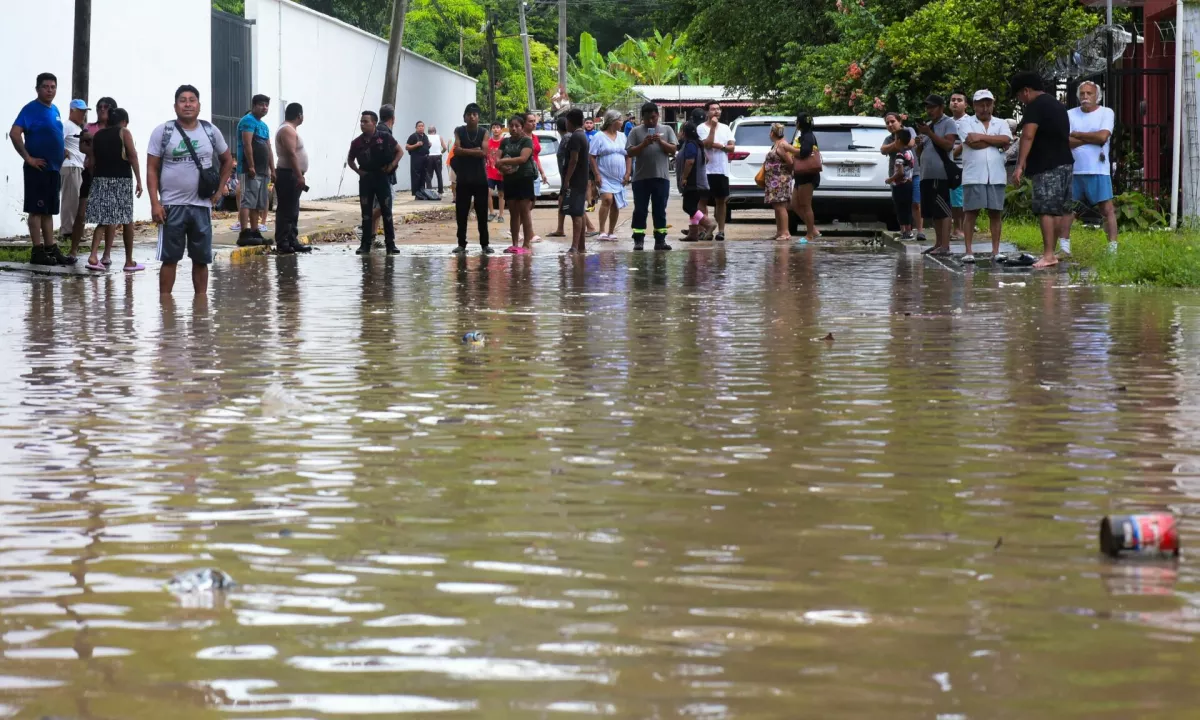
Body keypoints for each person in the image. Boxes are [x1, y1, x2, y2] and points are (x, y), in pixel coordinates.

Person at [147, 84, 234, 295]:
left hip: (201, 206)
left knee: (201, 259)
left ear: (199, 105)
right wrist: (155, 203)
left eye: (192, 100)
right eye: (182, 100)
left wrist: (219, 190)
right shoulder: (163, 132)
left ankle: (200, 306)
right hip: (171, 206)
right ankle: (165, 306)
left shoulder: (210, 131)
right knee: (169, 259)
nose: (187, 104)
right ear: (175, 106)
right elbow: (151, 168)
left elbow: (227, 160)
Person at [1011, 71, 1074, 268]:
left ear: (1026, 91)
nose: (1020, 100)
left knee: (1046, 209)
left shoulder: (1035, 106)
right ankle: (1051, 253)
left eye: (1019, 95)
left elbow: (1028, 135)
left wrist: (1020, 165)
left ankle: (1048, 255)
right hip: (1065, 163)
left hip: (1047, 165)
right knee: (1057, 209)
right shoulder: (1058, 105)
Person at [10, 73, 71, 266]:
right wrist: (28, 158)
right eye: (46, 87)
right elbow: (14, 133)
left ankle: (50, 248)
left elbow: (53, 134)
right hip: (38, 169)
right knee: (36, 210)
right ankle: (37, 251)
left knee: (48, 211)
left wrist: (62, 150)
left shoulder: (55, 110)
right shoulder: (30, 109)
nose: (50, 90)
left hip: (53, 169)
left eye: (53, 87)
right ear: (37, 89)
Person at [1062, 80, 1118, 255]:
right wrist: (1091, 138)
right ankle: (1064, 248)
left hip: (1098, 170)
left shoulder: (1106, 112)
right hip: (1075, 170)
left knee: (1107, 210)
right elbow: (1065, 141)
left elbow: (1102, 137)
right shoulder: (1070, 114)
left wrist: (1078, 135)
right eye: (1082, 93)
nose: (1085, 96)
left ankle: (1113, 250)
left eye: (1089, 93)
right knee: (1069, 210)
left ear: (1097, 96)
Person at [84, 108, 143, 272]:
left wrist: (95, 179)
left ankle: (93, 256)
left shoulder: (98, 135)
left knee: (103, 220)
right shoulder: (124, 132)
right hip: (121, 181)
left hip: (100, 180)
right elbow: (132, 156)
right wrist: (139, 180)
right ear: (124, 121)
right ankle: (129, 261)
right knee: (127, 220)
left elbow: (92, 162)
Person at [958, 90, 1013, 262]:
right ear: (974, 106)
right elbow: (972, 143)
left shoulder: (1001, 123)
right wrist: (996, 141)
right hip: (974, 174)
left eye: (988, 104)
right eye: (981, 104)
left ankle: (995, 251)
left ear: (993, 105)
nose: (985, 108)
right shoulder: (965, 123)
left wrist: (982, 137)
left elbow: (1006, 140)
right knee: (971, 213)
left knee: (995, 213)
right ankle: (969, 251)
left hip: (996, 174)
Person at [348, 110, 403, 255]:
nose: (362, 124)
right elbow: (350, 160)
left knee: (386, 211)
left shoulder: (384, 137)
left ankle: (390, 244)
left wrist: (392, 165)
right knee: (366, 213)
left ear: (374, 123)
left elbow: (400, 151)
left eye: (365, 121)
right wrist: (358, 171)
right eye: (361, 121)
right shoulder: (357, 142)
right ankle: (365, 245)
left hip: (382, 177)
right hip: (366, 179)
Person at [625, 102, 678, 251]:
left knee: (660, 209)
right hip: (641, 178)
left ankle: (660, 240)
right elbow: (630, 152)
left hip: (661, 177)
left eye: (653, 117)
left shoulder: (667, 130)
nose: (651, 121)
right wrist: (644, 144)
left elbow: (673, 149)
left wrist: (660, 141)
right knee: (640, 210)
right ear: (642, 118)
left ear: (658, 115)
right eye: (647, 118)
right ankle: (638, 240)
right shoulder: (635, 131)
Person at [914, 94, 960, 255]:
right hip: (926, 173)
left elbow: (948, 145)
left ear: (941, 107)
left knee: (943, 210)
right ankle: (938, 243)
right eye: (927, 107)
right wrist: (919, 144)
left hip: (940, 174)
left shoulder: (948, 123)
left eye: (932, 107)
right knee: (933, 211)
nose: (929, 110)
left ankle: (945, 246)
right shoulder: (927, 126)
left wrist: (929, 133)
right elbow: (919, 153)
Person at [450, 103, 491, 255]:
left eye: (475, 114)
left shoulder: (484, 132)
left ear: (478, 117)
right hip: (463, 178)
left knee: (482, 213)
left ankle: (485, 244)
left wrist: (465, 151)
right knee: (461, 213)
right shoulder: (459, 130)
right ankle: (461, 244)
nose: (472, 117)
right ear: (464, 117)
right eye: (469, 114)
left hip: (480, 178)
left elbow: (484, 153)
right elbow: (456, 150)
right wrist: (475, 150)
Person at [234, 94, 274, 246]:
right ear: (254, 105)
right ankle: (244, 233)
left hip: (263, 171)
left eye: (266, 105)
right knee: (248, 201)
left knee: (258, 203)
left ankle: (255, 231)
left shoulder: (264, 126)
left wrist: (272, 169)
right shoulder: (248, 121)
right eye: (261, 104)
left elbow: (269, 148)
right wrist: (251, 166)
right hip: (249, 169)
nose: (264, 107)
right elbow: (247, 144)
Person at [549, 117, 597, 240]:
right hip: (566, 177)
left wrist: (567, 179)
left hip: (570, 178)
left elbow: (571, 160)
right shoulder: (571, 137)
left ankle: (589, 228)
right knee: (564, 201)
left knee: (574, 204)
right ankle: (560, 228)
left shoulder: (569, 137)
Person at [495, 114, 538, 255]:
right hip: (509, 179)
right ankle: (514, 244)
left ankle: (526, 244)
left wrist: (503, 162)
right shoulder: (505, 141)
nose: (513, 128)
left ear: (522, 127)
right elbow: (497, 158)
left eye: (517, 126)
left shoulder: (527, 141)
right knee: (513, 213)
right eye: (511, 126)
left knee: (525, 211)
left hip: (524, 178)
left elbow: (523, 158)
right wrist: (502, 167)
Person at [275, 102, 311, 255]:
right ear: (299, 115)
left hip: (292, 174)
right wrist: (299, 175)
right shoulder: (287, 130)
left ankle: (292, 240)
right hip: (288, 174)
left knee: (293, 209)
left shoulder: (289, 129)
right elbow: (291, 154)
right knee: (286, 210)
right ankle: (283, 242)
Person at [589, 109, 631, 242]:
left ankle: (611, 231)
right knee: (607, 199)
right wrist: (596, 174)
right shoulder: (599, 136)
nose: (622, 122)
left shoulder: (623, 136)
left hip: (619, 177)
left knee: (615, 204)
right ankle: (602, 231)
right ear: (612, 121)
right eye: (619, 120)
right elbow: (592, 156)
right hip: (604, 175)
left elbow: (628, 156)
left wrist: (628, 173)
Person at [697, 100, 735, 241]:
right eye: (713, 109)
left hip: (721, 169)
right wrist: (712, 128)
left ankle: (721, 231)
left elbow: (732, 147)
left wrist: (721, 146)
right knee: (703, 200)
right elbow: (706, 144)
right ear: (707, 112)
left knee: (721, 201)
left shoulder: (725, 128)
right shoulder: (701, 128)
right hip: (706, 170)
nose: (716, 111)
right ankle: (704, 229)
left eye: (718, 109)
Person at [781, 112, 821, 244]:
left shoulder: (808, 136)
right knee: (794, 204)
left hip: (808, 175)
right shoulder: (803, 135)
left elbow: (805, 152)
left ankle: (810, 235)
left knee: (806, 205)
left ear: (800, 123)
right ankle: (813, 230)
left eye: (797, 121)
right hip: (800, 176)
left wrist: (790, 149)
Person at [881, 117, 923, 240]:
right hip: (899, 181)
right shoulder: (889, 138)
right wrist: (897, 142)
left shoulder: (908, 131)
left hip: (911, 175)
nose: (890, 124)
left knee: (915, 203)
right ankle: (904, 231)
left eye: (892, 121)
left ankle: (919, 231)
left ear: (900, 121)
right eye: (887, 123)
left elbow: (910, 143)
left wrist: (895, 144)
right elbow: (882, 150)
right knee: (900, 205)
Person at [60, 99, 89, 261]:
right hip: (71, 166)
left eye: (84, 111)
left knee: (76, 200)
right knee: (70, 200)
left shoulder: (78, 128)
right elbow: (57, 139)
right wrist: (63, 150)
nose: (83, 114)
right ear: (72, 111)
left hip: (78, 167)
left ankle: (72, 230)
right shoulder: (67, 125)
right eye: (80, 111)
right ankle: (67, 231)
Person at [677, 122, 715, 243]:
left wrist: (684, 177)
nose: (679, 133)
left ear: (684, 132)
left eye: (680, 131)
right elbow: (706, 159)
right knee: (693, 206)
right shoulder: (697, 144)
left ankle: (708, 224)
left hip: (693, 182)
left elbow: (690, 161)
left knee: (688, 207)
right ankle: (693, 234)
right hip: (699, 181)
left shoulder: (690, 145)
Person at [561, 109, 592, 254]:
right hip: (582, 179)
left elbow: (573, 160)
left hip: (576, 180)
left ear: (570, 122)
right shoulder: (582, 135)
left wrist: (567, 180)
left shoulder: (575, 137)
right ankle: (581, 246)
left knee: (576, 213)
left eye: (567, 121)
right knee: (580, 211)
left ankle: (575, 246)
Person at [762, 123, 795, 241]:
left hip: (780, 180)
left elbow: (790, 162)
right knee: (776, 205)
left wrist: (785, 175)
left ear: (772, 133)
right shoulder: (777, 144)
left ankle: (785, 232)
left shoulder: (781, 145)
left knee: (781, 206)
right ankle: (779, 232)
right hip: (774, 180)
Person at [523, 112, 551, 232]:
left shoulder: (534, 137)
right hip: (524, 173)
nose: (533, 123)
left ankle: (519, 228)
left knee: (532, 203)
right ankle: (527, 232)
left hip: (534, 172)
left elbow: (536, 157)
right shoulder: (521, 137)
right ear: (524, 123)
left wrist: (542, 172)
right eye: (530, 121)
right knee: (526, 203)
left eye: (534, 121)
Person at [948, 90, 970, 240]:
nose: (955, 102)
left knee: (960, 199)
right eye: (953, 100)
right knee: (954, 198)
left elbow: (966, 142)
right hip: (950, 166)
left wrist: (952, 155)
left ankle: (959, 229)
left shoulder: (969, 121)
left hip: (963, 165)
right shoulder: (947, 121)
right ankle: (957, 228)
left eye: (959, 100)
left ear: (966, 105)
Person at [486, 120, 506, 223]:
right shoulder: (488, 142)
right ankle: (492, 212)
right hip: (490, 172)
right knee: (487, 192)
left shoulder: (504, 142)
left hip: (501, 173)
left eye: (498, 127)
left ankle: (501, 215)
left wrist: (503, 168)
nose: (495, 129)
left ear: (501, 129)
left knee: (501, 194)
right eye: (493, 127)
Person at [406, 121, 432, 198]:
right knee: (416, 176)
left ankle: (422, 191)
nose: (421, 127)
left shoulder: (425, 136)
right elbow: (407, 147)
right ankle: (416, 193)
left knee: (423, 176)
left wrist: (429, 145)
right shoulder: (413, 136)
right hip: (416, 158)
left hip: (425, 158)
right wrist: (416, 145)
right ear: (416, 128)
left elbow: (425, 147)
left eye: (422, 126)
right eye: (419, 126)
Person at [426, 125, 446, 195]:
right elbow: (445, 148)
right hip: (438, 156)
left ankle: (429, 190)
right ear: (435, 131)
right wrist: (441, 152)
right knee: (439, 174)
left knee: (428, 174)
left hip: (429, 157)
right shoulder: (439, 137)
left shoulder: (426, 137)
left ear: (428, 131)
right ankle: (440, 190)